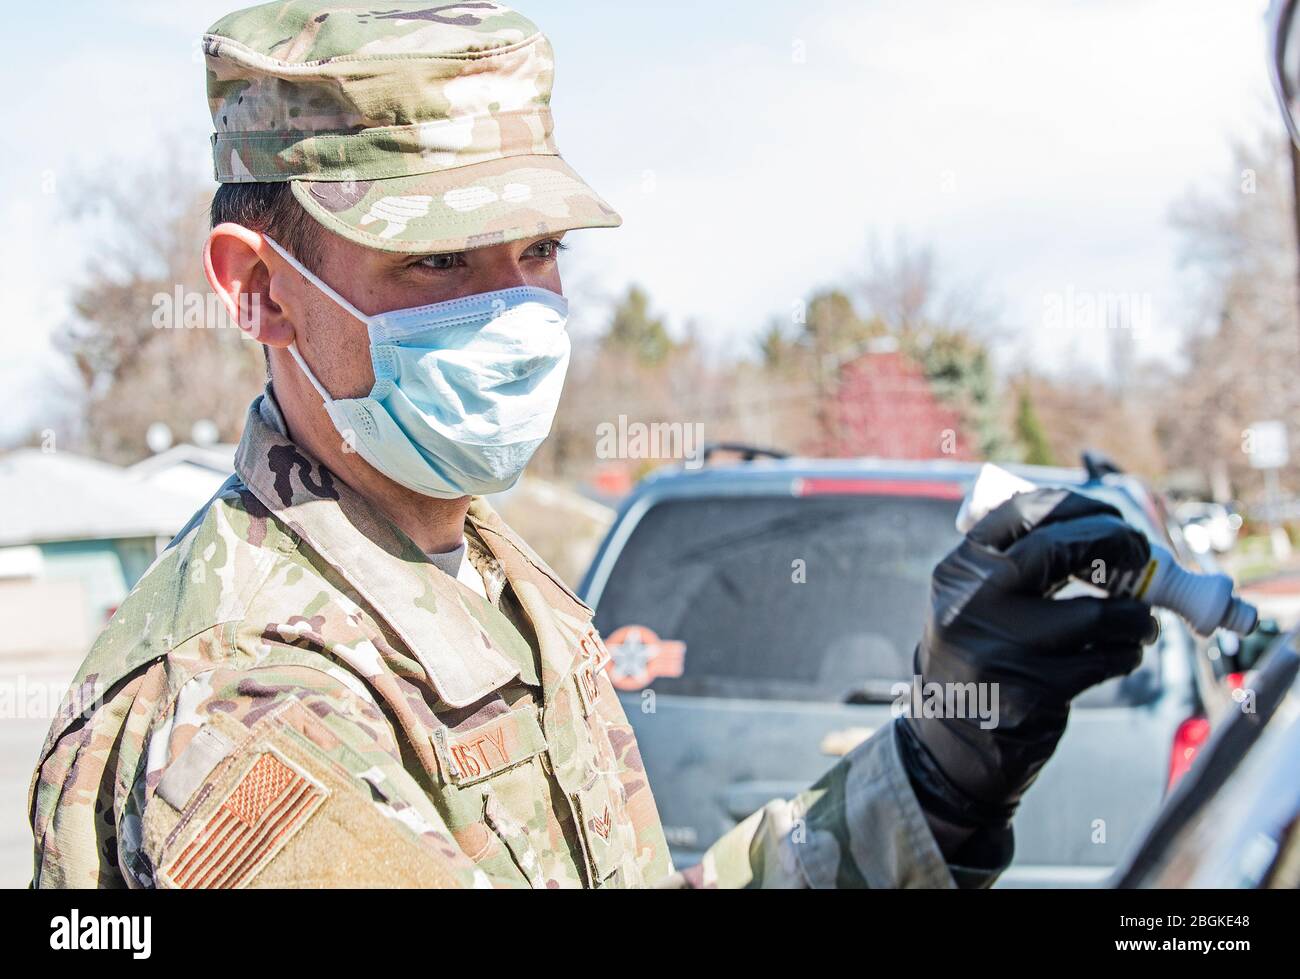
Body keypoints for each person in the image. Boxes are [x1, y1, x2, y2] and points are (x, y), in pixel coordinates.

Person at [28, 0, 1156, 889]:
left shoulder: (484, 575)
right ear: (261, 289)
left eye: (537, 250)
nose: (517, 313)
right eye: (437, 261)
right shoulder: (238, 704)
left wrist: (936, 777)